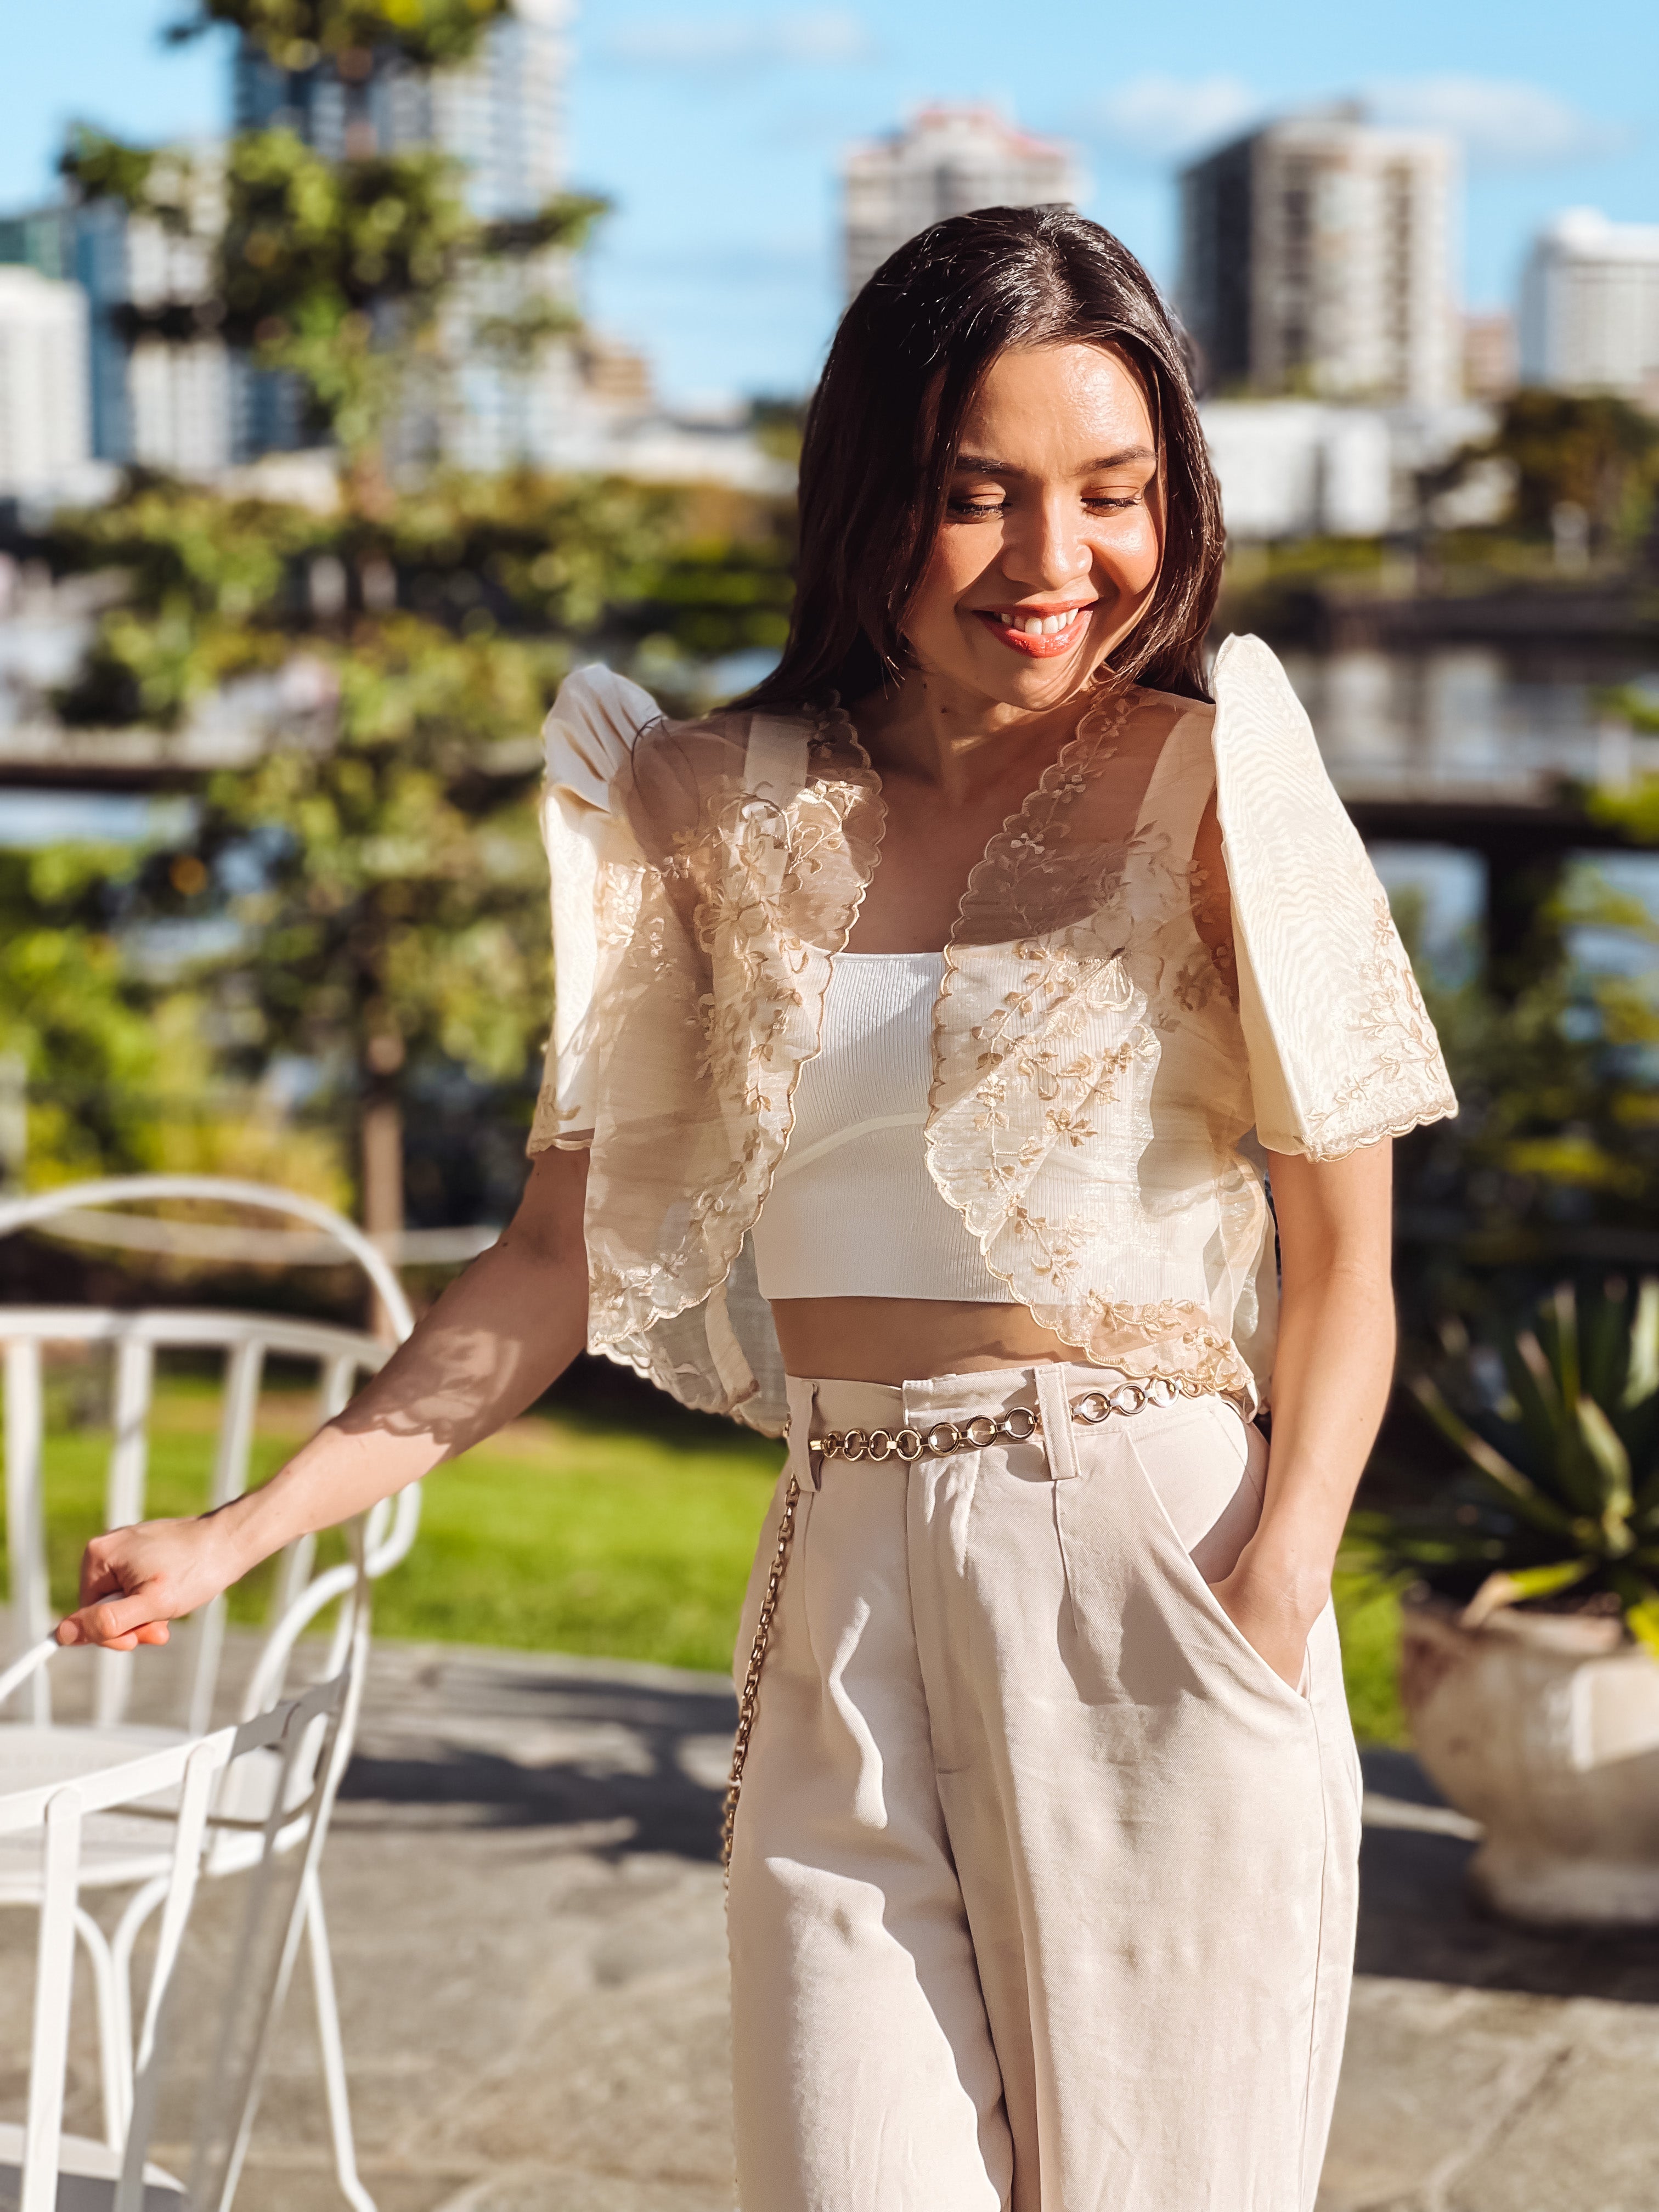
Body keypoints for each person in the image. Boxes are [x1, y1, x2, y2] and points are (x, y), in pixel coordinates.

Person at [58, 206, 1456, 2211]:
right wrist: (244, 1525)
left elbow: (1346, 1275)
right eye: (979, 499)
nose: (1057, 566)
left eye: (1113, 495)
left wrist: (1267, 1606)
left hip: (1156, 1571)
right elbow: (556, 1256)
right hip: (839, 1571)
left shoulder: (1217, 784)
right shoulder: (695, 800)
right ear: (868, 493)